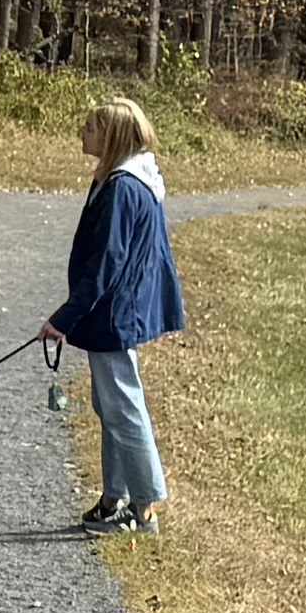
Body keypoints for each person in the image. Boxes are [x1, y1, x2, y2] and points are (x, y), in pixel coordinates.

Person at [37, 95, 185, 536]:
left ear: (113, 137)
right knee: (111, 405)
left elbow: (106, 263)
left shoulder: (123, 187)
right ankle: (112, 498)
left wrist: (64, 319)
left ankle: (144, 508)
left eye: (90, 128)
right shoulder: (119, 179)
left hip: (115, 314)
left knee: (124, 407)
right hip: (114, 311)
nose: (82, 133)